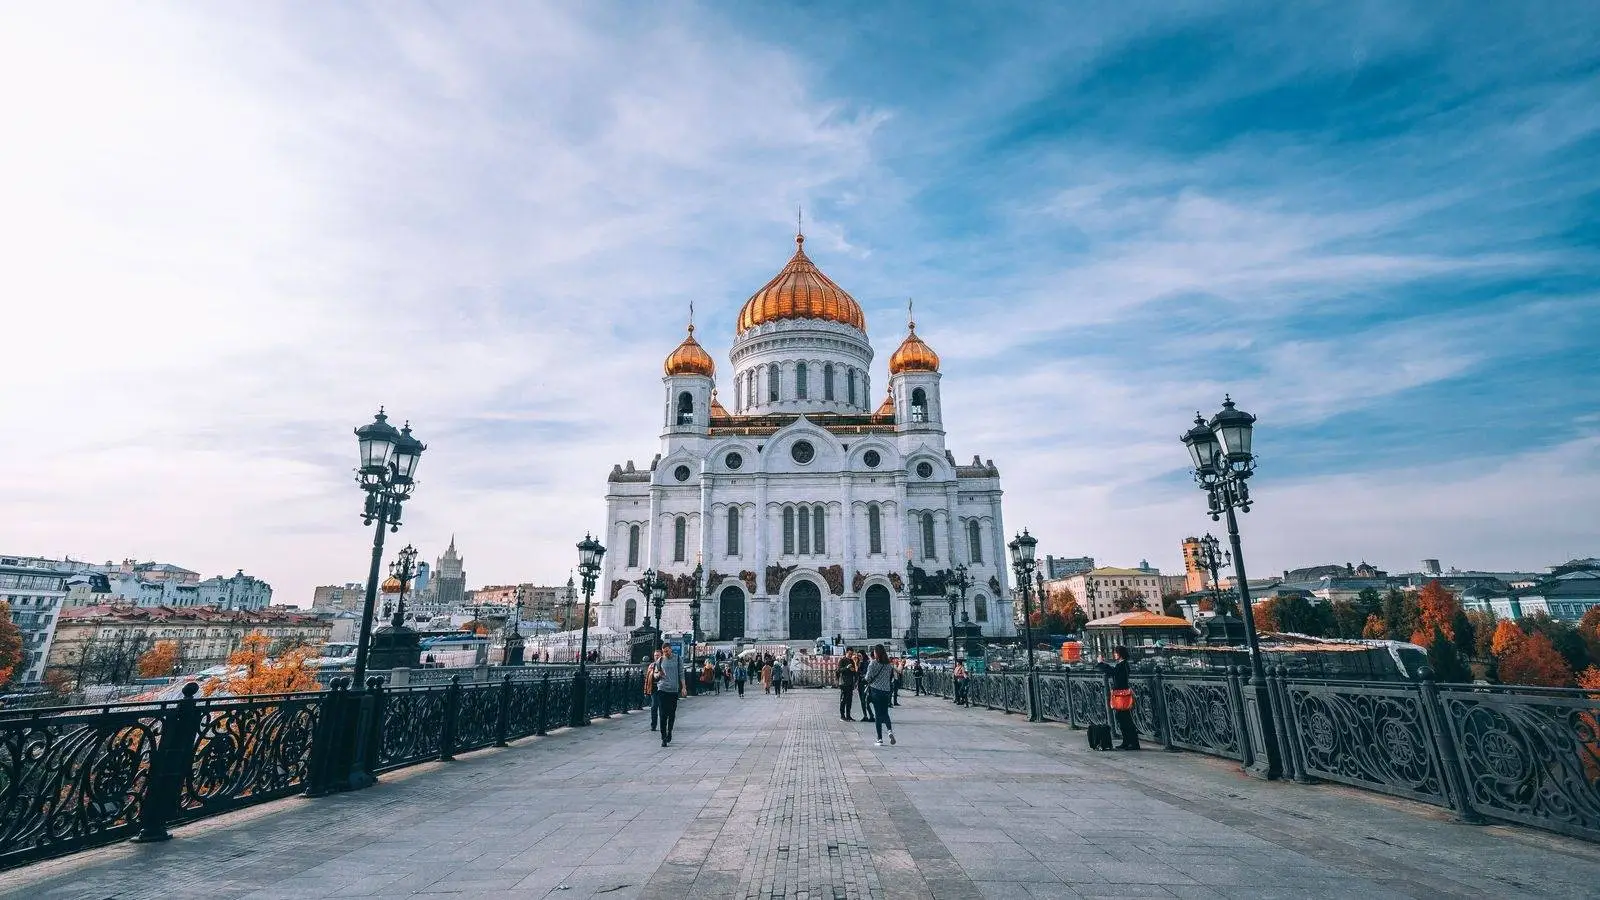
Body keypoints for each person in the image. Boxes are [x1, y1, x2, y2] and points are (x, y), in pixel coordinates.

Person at [1097, 645, 1140, 750]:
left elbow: (1113, 672)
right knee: (1122, 719)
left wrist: (1101, 663)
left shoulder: (1122, 665)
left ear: (1120, 654)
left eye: (1116, 653)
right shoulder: (1122, 664)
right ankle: (1127, 742)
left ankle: (1132, 743)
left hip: (1122, 695)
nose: (1114, 654)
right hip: (1121, 695)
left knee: (1125, 719)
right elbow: (1113, 671)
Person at [864, 644, 897, 746]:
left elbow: (867, 678)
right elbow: (890, 677)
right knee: (885, 713)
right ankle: (889, 730)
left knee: (878, 715)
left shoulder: (873, 663)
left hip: (876, 691)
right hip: (886, 691)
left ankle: (880, 739)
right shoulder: (888, 665)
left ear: (876, 653)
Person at [655, 643, 684, 746]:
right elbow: (655, 674)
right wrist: (658, 674)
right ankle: (663, 737)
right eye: (664, 652)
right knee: (662, 714)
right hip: (662, 689)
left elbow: (681, 673)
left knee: (671, 713)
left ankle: (669, 731)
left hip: (673, 690)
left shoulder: (678, 659)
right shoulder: (660, 660)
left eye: (667, 651)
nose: (665, 653)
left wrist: (684, 687)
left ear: (671, 649)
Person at [837, 651, 858, 720]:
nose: (850, 655)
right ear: (846, 653)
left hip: (850, 683)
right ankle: (842, 716)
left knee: (849, 700)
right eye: (849, 654)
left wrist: (853, 670)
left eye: (851, 654)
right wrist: (847, 667)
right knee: (843, 700)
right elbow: (839, 670)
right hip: (844, 683)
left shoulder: (852, 661)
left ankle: (848, 716)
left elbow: (855, 672)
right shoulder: (842, 660)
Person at [646, 648, 662, 732]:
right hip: (654, 689)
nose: (656, 657)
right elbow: (647, 679)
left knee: (663, 708)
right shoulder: (651, 666)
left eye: (658, 655)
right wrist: (646, 690)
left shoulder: (664, 665)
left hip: (663, 689)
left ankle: (664, 724)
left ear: (661, 656)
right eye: (655, 655)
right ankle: (653, 725)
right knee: (654, 707)